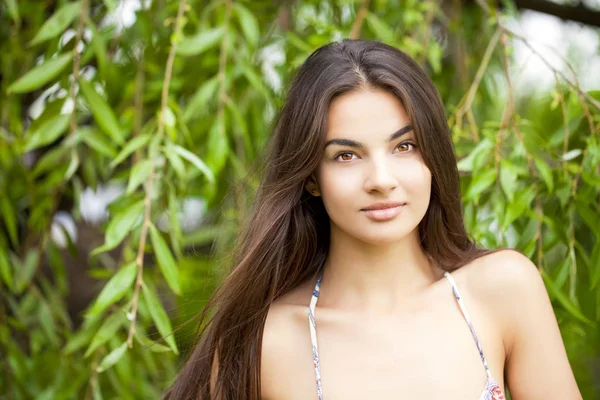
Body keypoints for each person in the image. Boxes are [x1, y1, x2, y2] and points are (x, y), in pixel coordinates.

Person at [164, 39, 582, 400]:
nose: (382, 181)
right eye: (346, 155)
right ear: (312, 175)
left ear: (433, 155)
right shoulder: (266, 341)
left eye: (405, 146)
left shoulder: (501, 290)